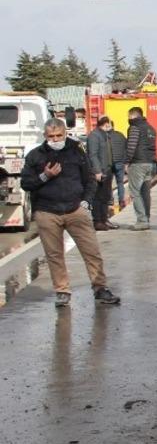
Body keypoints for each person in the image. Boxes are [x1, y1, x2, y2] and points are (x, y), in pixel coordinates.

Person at [19, 118, 121, 309]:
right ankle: (62, 291)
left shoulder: (76, 151)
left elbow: (90, 179)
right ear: (45, 136)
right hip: (47, 212)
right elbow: (26, 183)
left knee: (92, 251)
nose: (56, 139)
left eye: (59, 135)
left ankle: (100, 287)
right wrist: (45, 176)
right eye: (51, 136)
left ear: (65, 134)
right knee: (54, 254)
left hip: (76, 210)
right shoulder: (35, 156)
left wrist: (86, 202)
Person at [124, 106, 157, 230]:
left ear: (133, 115)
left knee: (134, 192)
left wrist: (126, 162)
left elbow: (131, 146)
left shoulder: (135, 127)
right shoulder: (151, 128)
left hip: (138, 163)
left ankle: (142, 220)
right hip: (150, 163)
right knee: (145, 192)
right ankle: (146, 218)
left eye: (129, 116)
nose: (128, 119)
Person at [85, 117, 119, 231]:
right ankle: (98, 221)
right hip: (100, 171)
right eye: (109, 124)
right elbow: (93, 155)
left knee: (105, 196)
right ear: (105, 124)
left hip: (107, 169)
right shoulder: (94, 136)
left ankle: (104, 219)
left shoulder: (105, 135)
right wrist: (97, 171)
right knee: (98, 197)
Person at [108, 122, 128, 210]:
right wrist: (125, 161)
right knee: (120, 183)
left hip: (109, 163)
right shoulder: (120, 135)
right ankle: (121, 200)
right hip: (120, 162)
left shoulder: (104, 136)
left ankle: (110, 200)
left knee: (109, 183)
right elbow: (126, 148)